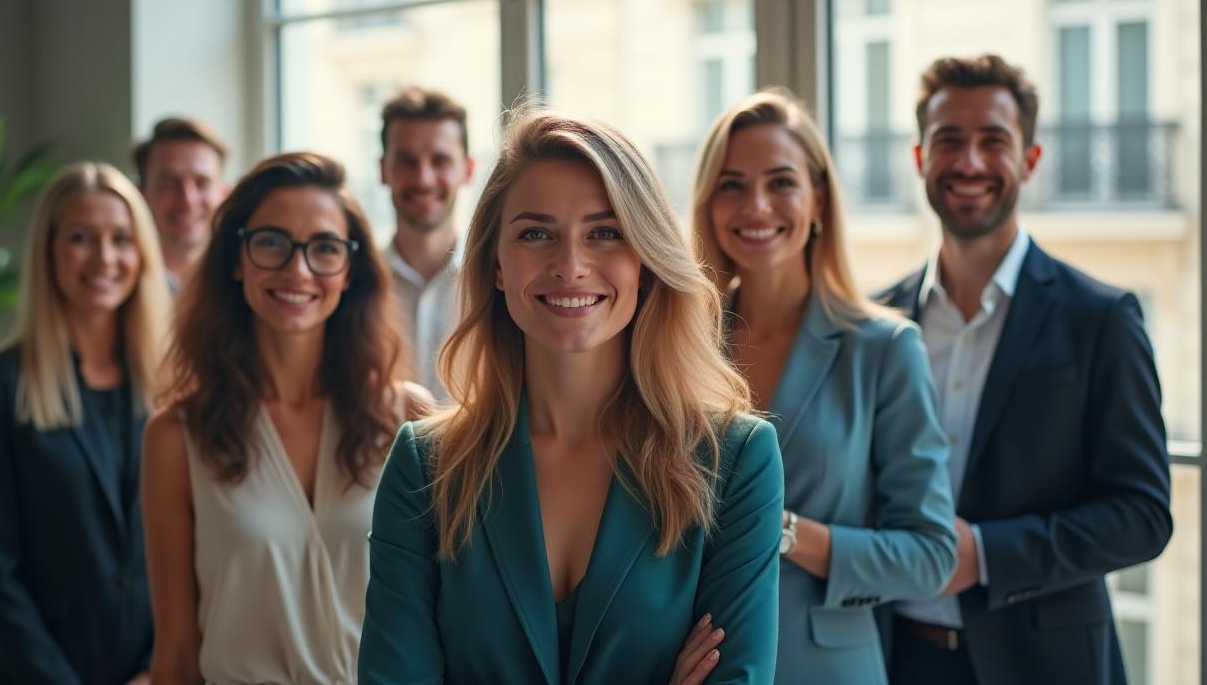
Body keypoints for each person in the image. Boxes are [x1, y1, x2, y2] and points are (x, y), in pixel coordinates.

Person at [359, 109, 784, 684]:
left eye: (605, 233)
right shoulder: (425, 465)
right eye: (536, 234)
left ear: (645, 260)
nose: (571, 266)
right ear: (496, 265)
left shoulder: (736, 460)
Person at [881, 54, 1173, 685]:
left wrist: (986, 555)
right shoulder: (878, 320)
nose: (970, 162)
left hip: (1046, 664)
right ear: (920, 158)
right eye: (949, 140)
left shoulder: (1101, 318)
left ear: (1030, 159)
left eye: (994, 140)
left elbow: (1143, 515)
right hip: (892, 657)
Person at [689, 89, 957, 684]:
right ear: (709, 204)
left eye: (781, 182)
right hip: (694, 667)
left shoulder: (884, 349)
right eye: (732, 185)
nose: (756, 205)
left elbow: (931, 556)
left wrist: (782, 530)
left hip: (828, 669)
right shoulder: (679, 347)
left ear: (818, 200)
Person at [142, 152, 431, 684]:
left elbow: (444, 624)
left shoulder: (408, 417)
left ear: (350, 271)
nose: (297, 269)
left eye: (324, 248)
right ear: (237, 259)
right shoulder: (175, 437)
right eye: (272, 242)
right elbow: (177, 656)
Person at [0, 162, 172, 684]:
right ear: (49, 250)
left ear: (142, 253)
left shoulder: (173, 382)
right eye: (81, 238)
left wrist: (156, 669)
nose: (104, 258)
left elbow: (197, 547)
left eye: (121, 239)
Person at [379, 87, 476, 400]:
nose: (423, 179)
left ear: (468, 170)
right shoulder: (352, 282)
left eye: (440, 160)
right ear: (383, 170)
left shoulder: (498, 282)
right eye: (406, 161)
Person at [132, 116, 230, 287]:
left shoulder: (247, 284)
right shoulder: (114, 285)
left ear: (224, 193)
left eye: (202, 183)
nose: (188, 200)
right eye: (169, 184)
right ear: (140, 195)